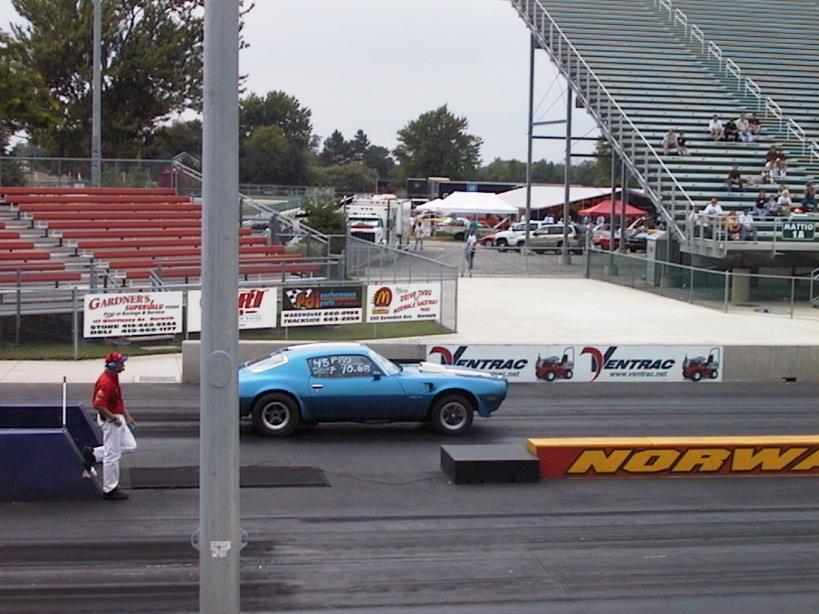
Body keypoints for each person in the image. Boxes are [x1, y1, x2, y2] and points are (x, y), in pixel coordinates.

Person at [83, 352, 137, 501]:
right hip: (111, 420)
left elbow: (117, 400)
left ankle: (94, 454)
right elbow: (98, 405)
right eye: (121, 362)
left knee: (130, 445)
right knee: (112, 456)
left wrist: (126, 415)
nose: (123, 364)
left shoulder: (114, 377)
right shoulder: (105, 382)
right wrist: (113, 418)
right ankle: (110, 489)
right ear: (113, 365)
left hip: (117, 417)